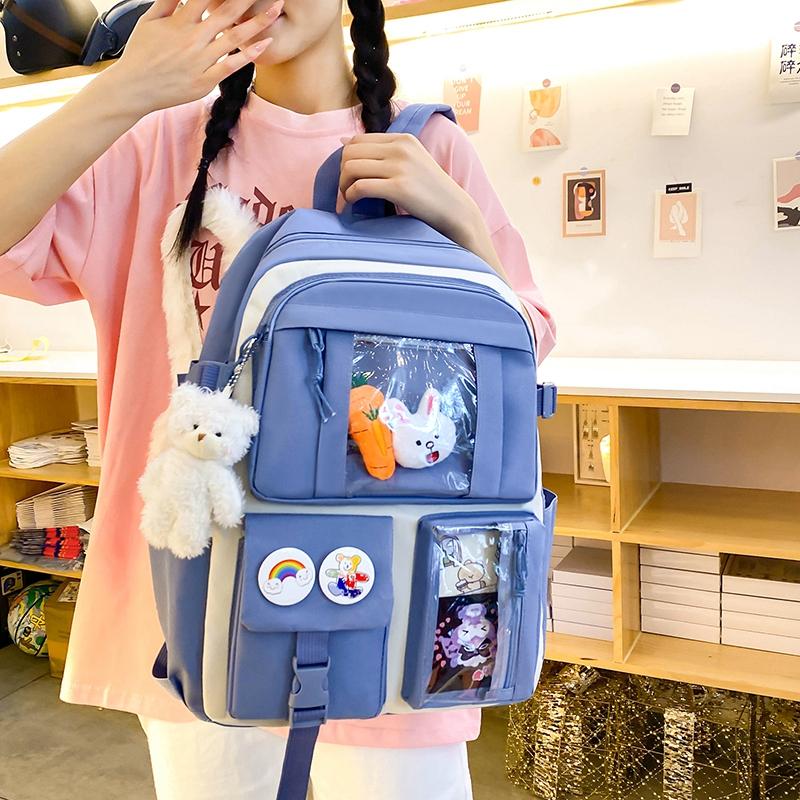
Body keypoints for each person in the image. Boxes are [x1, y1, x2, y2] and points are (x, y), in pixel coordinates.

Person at [0, 1, 556, 797]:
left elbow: (522, 341)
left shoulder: (425, 146)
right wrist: (125, 87)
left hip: (390, 588)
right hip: (199, 603)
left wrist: (461, 221)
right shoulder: (156, 144)